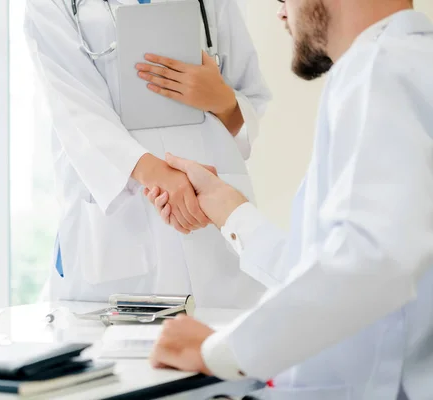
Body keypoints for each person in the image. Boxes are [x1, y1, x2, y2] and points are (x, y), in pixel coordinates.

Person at [145, 0, 433, 398]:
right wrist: (231, 213)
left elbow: (373, 259)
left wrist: (219, 351)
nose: (280, 13)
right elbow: (333, 266)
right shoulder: (409, 64)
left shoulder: (379, 68)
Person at [23, 0, 271, 308]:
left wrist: (222, 100)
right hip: (123, 217)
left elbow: (251, 100)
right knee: (115, 348)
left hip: (209, 215)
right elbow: (74, 110)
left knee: (221, 346)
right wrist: (159, 175)